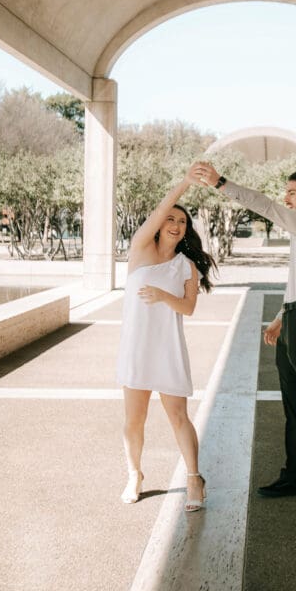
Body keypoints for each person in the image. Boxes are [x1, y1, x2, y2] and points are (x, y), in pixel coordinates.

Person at [190, 162, 296, 510]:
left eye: (292, 192)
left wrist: (221, 183)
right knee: (295, 406)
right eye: (285, 193)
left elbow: (265, 206)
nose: (285, 198)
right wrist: (280, 317)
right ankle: (294, 476)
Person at [116, 169, 216, 512]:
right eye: (170, 218)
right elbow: (162, 207)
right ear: (158, 225)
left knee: (179, 417)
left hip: (168, 349)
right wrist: (186, 183)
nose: (175, 224)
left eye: (183, 222)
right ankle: (134, 474)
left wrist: (162, 295)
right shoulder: (140, 250)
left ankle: (194, 478)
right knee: (133, 420)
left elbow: (188, 308)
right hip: (136, 349)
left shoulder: (186, 267)